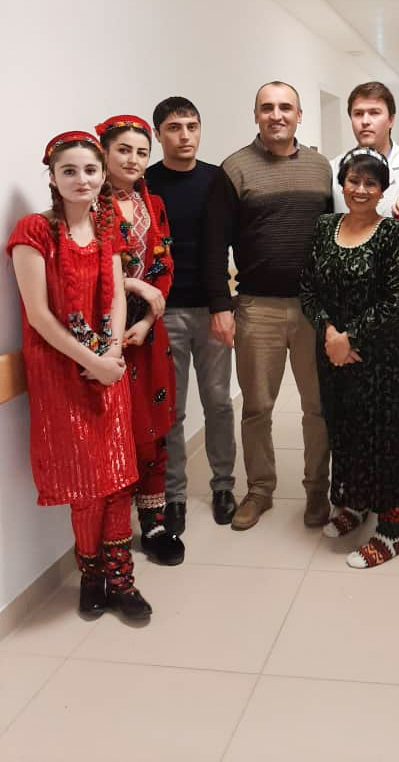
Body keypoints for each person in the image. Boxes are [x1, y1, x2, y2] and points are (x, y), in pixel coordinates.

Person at [7, 131, 151, 620]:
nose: (82, 179)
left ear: (101, 175)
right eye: (69, 171)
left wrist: (110, 354)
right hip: (60, 373)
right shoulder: (34, 232)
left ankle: (122, 576)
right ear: (52, 176)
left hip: (106, 367)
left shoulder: (105, 225)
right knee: (87, 483)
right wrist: (91, 362)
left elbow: (113, 297)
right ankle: (91, 575)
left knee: (117, 476)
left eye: (90, 170)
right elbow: (40, 316)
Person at [205, 81, 332, 531]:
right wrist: (221, 304)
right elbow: (214, 243)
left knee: (318, 407)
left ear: (300, 115)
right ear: (255, 115)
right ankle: (260, 491)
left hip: (314, 309)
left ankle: (318, 490)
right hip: (256, 307)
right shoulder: (234, 169)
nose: (276, 115)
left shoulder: (320, 168)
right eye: (267, 107)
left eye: (285, 107)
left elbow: (338, 236)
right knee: (257, 406)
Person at [301, 147, 399, 567]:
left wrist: (350, 336)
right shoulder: (324, 226)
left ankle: (390, 527)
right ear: (342, 183)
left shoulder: (392, 233)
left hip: (380, 355)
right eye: (353, 180)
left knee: (383, 437)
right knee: (343, 429)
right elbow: (308, 290)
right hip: (331, 352)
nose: (360, 189)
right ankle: (353, 503)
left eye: (370, 183)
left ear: (383, 189)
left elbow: (396, 299)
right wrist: (330, 331)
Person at [146, 96, 237, 537]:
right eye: (175, 127)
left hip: (211, 309)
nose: (185, 135)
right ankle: (174, 495)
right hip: (163, 313)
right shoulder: (146, 184)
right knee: (173, 412)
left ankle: (223, 486)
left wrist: (225, 305)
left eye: (192, 126)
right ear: (158, 133)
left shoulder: (216, 179)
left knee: (219, 402)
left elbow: (224, 244)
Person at [96, 114, 183, 566]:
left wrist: (149, 317)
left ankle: (154, 520)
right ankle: (110, 530)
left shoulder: (154, 201)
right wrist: (134, 288)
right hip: (103, 333)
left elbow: (163, 265)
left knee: (152, 425)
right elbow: (87, 271)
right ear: (104, 153)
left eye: (141, 152)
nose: (132, 159)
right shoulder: (88, 203)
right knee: (115, 428)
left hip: (147, 332)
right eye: (123, 150)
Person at [331, 81, 399, 217]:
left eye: (374, 113)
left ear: (391, 120)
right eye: (358, 114)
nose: (365, 121)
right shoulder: (333, 168)